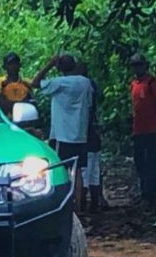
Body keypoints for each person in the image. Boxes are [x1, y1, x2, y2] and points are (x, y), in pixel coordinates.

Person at [32, 55, 93, 211]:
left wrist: (49, 65)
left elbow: (35, 83)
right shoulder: (85, 83)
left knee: (60, 169)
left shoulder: (59, 83)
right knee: (77, 170)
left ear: (59, 68)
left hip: (62, 134)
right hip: (80, 133)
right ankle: (78, 206)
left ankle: (65, 206)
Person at [129, 53, 156, 204]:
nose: (137, 68)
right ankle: (144, 190)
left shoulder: (153, 83)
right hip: (138, 129)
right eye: (134, 65)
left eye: (139, 65)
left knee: (152, 162)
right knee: (140, 161)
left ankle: (151, 193)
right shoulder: (134, 84)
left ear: (145, 66)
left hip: (152, 129)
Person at [76, 62, 103, 212]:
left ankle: (84, 203)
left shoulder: (82, 87)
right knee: (94, 171)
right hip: (92, 132)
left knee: (86, 170)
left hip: (85, 133)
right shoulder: (91, 85)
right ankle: (94, 202)